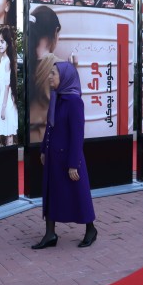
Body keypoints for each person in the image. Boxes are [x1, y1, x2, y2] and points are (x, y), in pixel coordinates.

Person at [32, 61, 97, 250]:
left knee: (79, 194)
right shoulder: (56, 97)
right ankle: (50, 233)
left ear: (65, 77)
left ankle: (90, 229)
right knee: (50, 193)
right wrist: (44, 149)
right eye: (50, 73)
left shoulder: (74, 102)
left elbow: (77, 135)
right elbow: (50, 126)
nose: (50, 76)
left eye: (54, 73)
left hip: (69, 158)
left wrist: (74, 163)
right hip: (53, 157)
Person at [29, 6, 62, 143]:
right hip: (50, 143)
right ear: (55, 32)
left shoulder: (24, 64)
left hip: (29, 140)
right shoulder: (60, 68)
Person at [0, 27, 18, 146]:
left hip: (6, 99)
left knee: (9, 132)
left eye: (2, 41)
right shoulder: (2, 59)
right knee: (5, 130)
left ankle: (11, 155)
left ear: (8, 43)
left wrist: (3, 107)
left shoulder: (7, 61)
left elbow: (7, 86)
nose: (0, 44)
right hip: (2, 96)